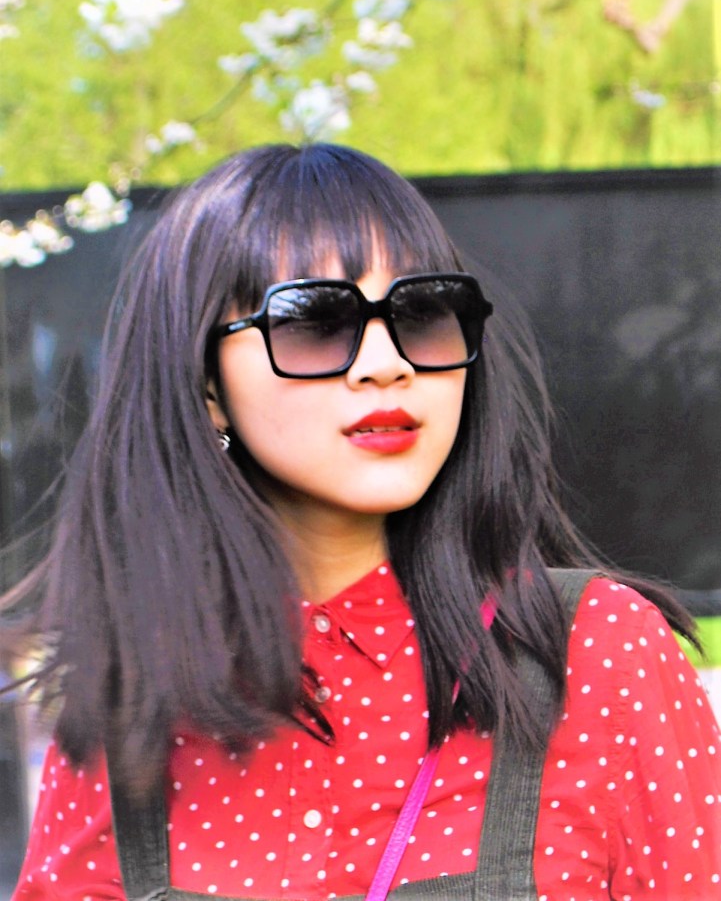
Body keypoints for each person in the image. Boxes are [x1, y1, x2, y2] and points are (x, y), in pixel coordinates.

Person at [4, 143, 720, 901]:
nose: (386, 363)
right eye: (315, 320)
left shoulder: (596, 653)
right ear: (207, 386)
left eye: (422, 315)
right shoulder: (128, 718)